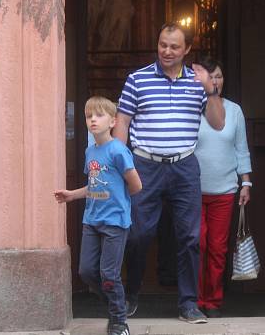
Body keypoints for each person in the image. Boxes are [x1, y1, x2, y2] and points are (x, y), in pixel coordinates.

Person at [113, 22, 225, 324]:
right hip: (145, 165)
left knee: (189, 237)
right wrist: (118, 163)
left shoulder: (197, 82)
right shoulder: (137, 80)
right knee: (138, 234)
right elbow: (122, 122)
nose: (167, 51)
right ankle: (132, 292)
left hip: (185, 167)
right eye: (163, 44)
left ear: (187, 49)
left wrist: (210, 90)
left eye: (174, 46)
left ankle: (188, 304)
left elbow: (218, 123)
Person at [54, 96, 142, 335]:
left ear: (113, 121)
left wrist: (118, 200)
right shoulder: (90, 151)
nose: (93, 119)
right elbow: (94, 185)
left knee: (109, 274)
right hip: (91, 221)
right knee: (86, 271)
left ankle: (119, 322)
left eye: (99, 115)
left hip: (115, 222)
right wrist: (72, 194)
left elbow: (136, 185)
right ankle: (116, 305)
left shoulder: (118, 150)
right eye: (89, 116)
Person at [194, 57, 252, 318]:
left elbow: (241, 149)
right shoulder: (190, 108)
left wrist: (246, 182)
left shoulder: (235, 111)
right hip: (192, 191)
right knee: (197, 246)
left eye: (217, 76)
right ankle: (194, 300)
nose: (213, 81)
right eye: (209, 77)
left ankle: (213, 301)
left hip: (225, 191)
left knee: (217, 249)